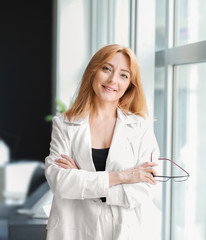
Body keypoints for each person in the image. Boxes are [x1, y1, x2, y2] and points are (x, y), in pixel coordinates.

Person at [45, 44, 160, 240]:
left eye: (123, 75)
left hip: (127, 231)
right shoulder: (64, 124)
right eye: (106, 68)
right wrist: (124, 176)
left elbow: (144, 189)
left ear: (130, 84)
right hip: (75, 230)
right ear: (93, 71)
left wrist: (82, 179)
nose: (113, 80)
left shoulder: (141, 127)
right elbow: (61, 183)